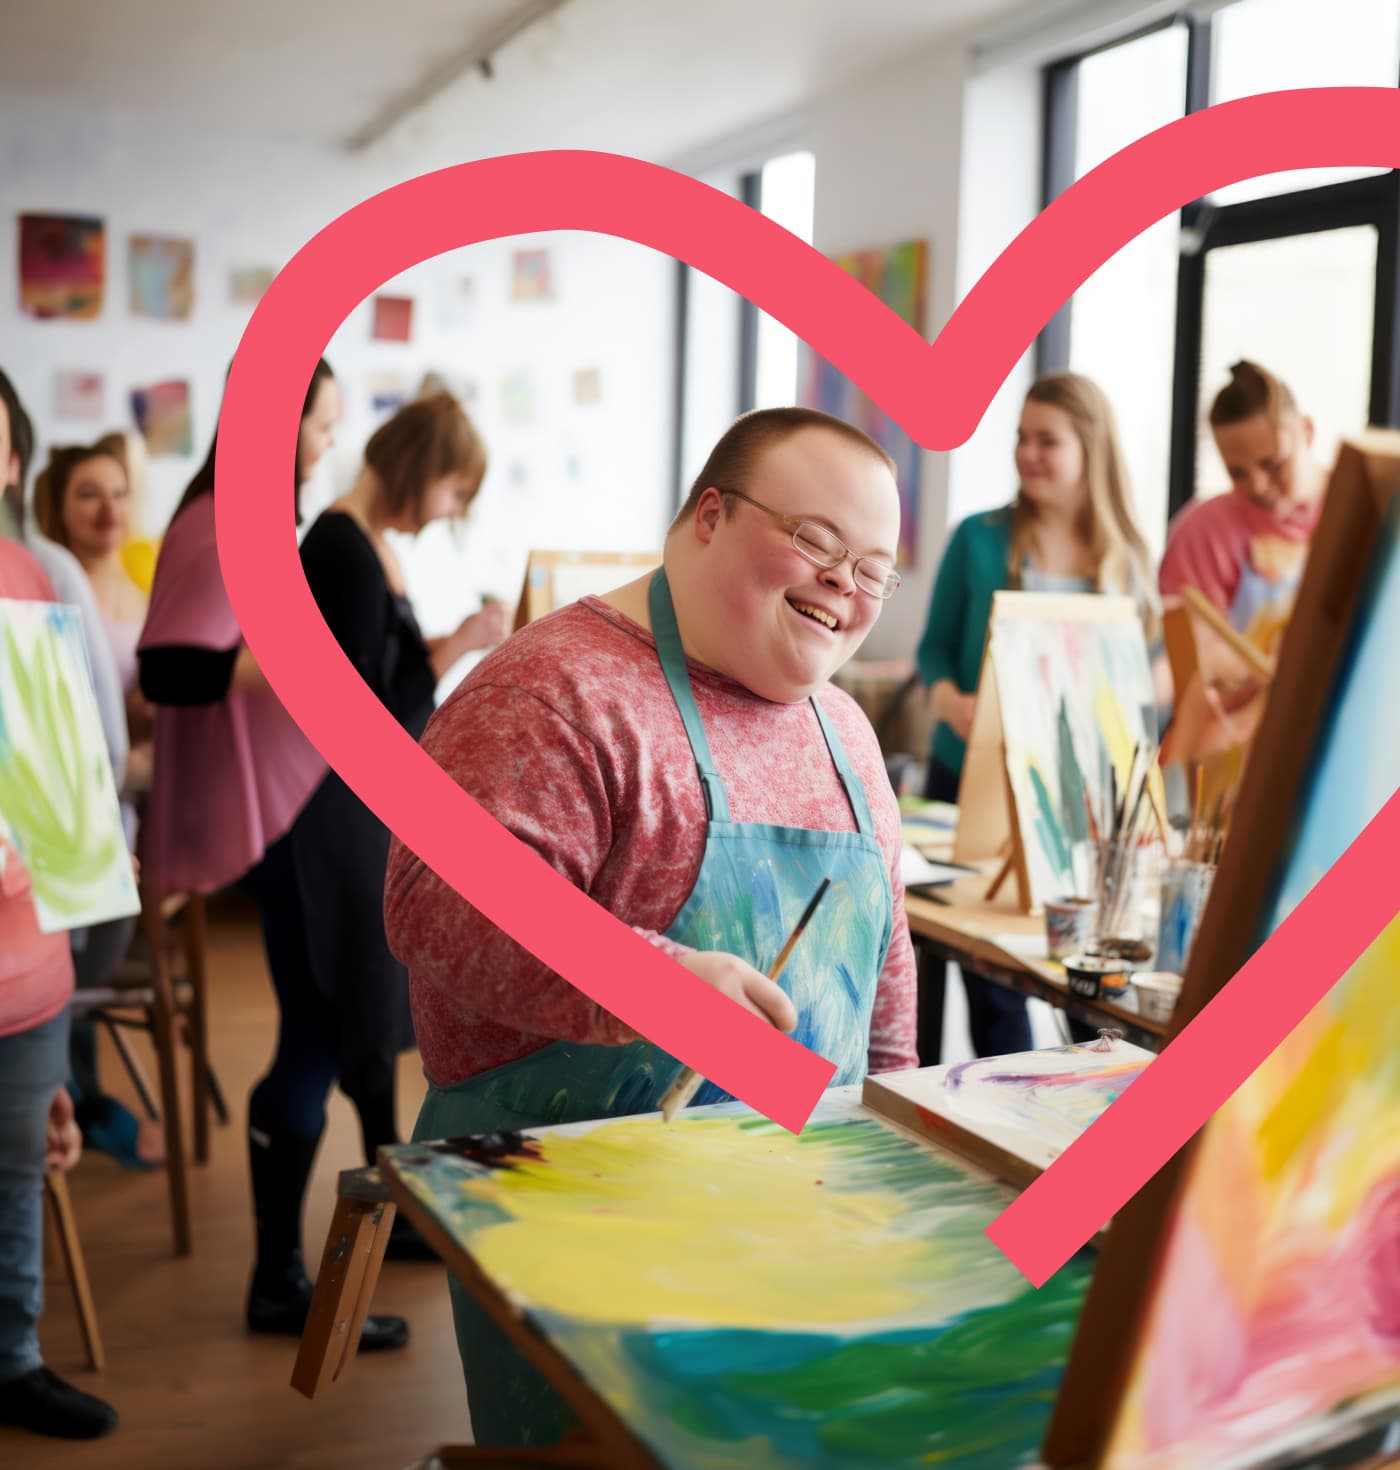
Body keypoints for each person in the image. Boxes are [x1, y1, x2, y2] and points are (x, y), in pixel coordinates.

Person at [384, 405, 919, 1446]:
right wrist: (645, 980)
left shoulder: (844, 729)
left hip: (805, 1216)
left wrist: (901, 1146)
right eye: (813, 540)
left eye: (870, 568)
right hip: (577, 1228)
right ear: (708, 516)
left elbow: (883, 950)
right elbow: (431, 902)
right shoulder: (553, 689)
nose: (840, 586)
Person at [915, 371, 1158, 1056]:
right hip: (971, 782)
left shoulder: (1130, 560)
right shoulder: (977, 539)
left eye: (1047, 440)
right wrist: (951, 704)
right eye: (1022, 438)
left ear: (1091, 448)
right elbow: (931, 653)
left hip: (1079, 810)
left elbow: (1142, 686)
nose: (1028, 454)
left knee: (1087, 985)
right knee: (992, 987)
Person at [0, 373, 157, 1170]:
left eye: (119, 493)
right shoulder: (46, 575)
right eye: (90, 493)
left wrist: (87, 842)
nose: (109, 510)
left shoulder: (38, 576)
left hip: (56, 897)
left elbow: (80, 738)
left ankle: (75, 1092)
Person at [0, 528, 119, 1441]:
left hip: (27, 959)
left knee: (20, 1173)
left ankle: (13, 1362)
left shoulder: (25, 573)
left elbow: (66, 770)